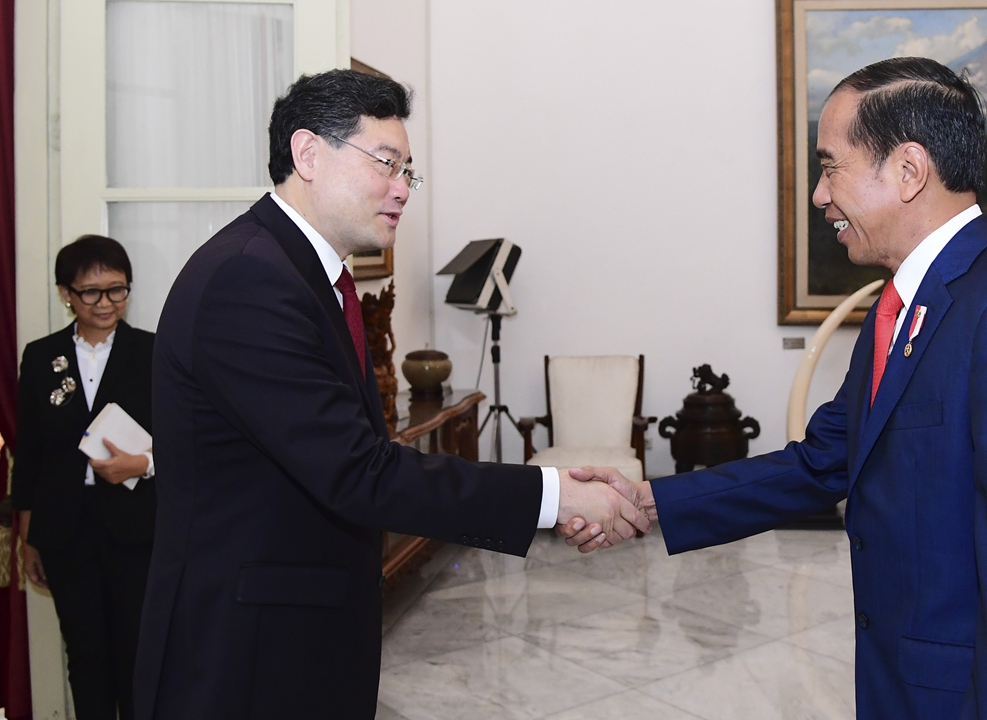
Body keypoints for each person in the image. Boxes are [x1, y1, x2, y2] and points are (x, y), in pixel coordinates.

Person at [563, 57, 987, 719]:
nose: (820, 196)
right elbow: (822, 461)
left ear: (907, 170)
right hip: (901, 683)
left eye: (829, 165)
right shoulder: (900, 306)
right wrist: (649, 504)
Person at [133, 69, 647, 720]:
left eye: (410, 172)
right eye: (387, 163)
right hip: (244, 657)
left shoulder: (299, 275)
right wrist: (555, 495)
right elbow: (359, 471)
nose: (403, 189)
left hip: (295, 639)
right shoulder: (249, 280)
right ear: (308, 154)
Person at [12, 235, 157, 720]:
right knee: (86, 651)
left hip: (136, 527)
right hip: (65, 530)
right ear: (66, 293)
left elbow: (188, 441)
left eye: (117, 290)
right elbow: (28, 454)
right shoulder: (39, 357)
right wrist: (29, 536)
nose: (107, 303)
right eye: (91, 292)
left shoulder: (154, 353)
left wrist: (144, 464)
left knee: (135, 653)